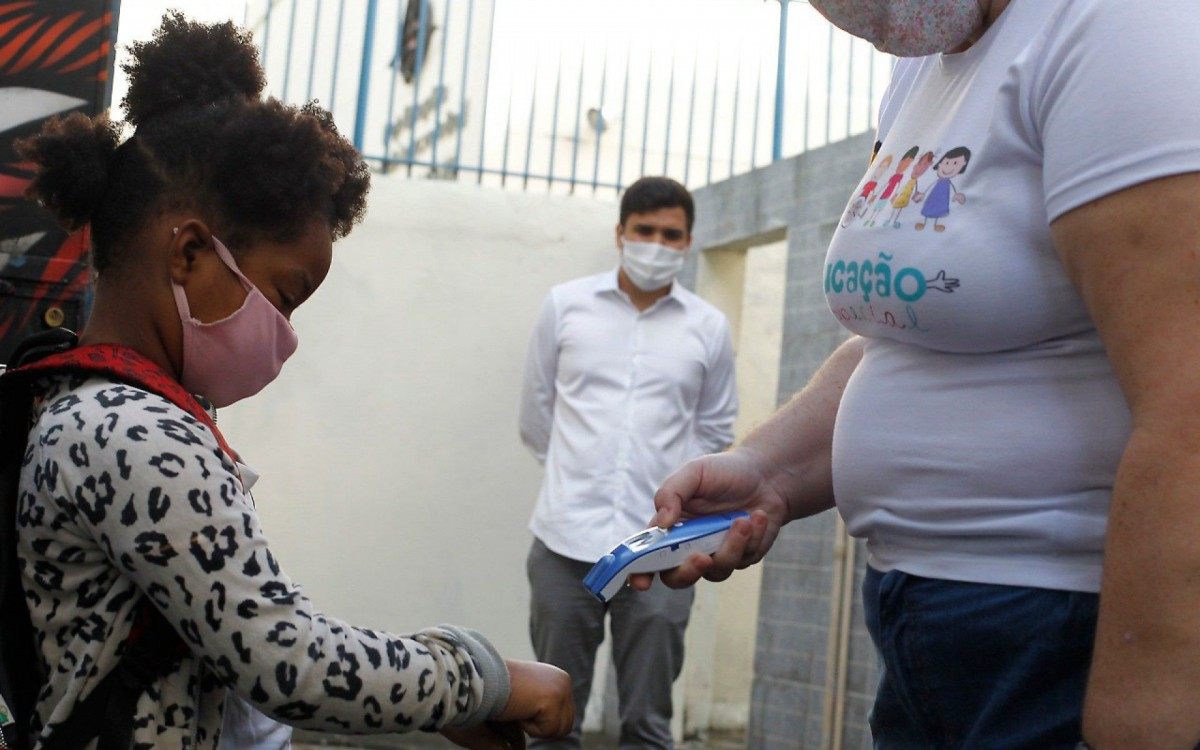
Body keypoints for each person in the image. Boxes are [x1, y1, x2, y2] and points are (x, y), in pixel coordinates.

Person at [634, 1, 1200, 748]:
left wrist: (1140, 720)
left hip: (1063, 626)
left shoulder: (1120, 24)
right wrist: (768, 469)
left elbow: (1187, 405)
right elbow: (903, 336)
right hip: (922, 618)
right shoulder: (921, 70)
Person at [12, 13, 572, 750]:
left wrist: (435, 704)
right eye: (282, 296)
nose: (283, 332)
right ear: (188, 252)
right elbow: (290, 662)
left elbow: (240, 637)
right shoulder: (131, 433)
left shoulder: (90, 407)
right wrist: (483, 679)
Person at [518, 177, 737, 749]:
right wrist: (576, 473)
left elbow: (715, 430)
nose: (656, 245)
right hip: (566, 541)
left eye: (671, 235)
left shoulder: (708, 327)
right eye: (644, 231)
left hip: (664, 550)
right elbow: (537, 415)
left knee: (647, 725)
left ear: (688, 242)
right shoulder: (565, 306)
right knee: (550, 721)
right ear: (620, 233)